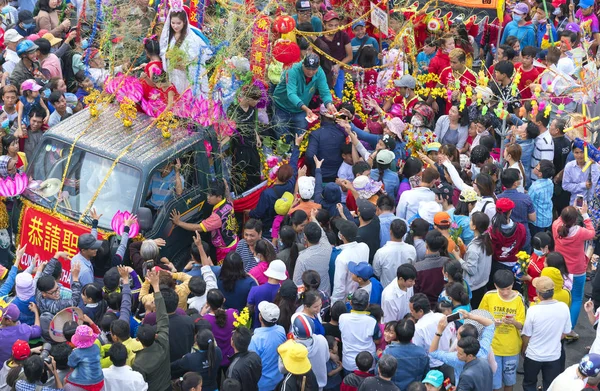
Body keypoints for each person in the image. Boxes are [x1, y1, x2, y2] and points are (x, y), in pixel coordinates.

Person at [521, 276, 572, 391]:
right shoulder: (563, 307)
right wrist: (553, 339)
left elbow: (527, 335)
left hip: (533, 355)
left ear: (538, 293)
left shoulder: (533, 310)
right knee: (550, 385)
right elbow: (566, 332)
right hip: (554, 356)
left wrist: (524, 348)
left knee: (529, 383)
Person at [478, 269, 525, 391]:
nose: (505, 292)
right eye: (501, 289)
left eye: (508, 288)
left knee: (509, 382)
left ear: (513, 285)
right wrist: (492, 323)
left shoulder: (519, 298)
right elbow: (479, 318)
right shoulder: (488, 296)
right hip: (493, 347)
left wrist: (514, 322)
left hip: (511, 348)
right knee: (495, 384)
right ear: (495, 286)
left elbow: (522, 326)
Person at [553, 204, 594, 339]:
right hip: (577, 270)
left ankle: (557, 325)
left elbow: (561, 219)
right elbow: (592, 232)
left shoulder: (556, 226)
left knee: (559, 297)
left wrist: (568, 212)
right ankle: (569, 330)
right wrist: (585, 214)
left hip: (560, 269)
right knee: (576, 299)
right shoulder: (581, 232)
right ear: (575, 219)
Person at [170, 181, 238, 262]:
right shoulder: (228, 202)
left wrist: (178, 222)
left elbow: (199, 228)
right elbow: (228, 195)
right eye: (208, 194)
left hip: (225, 249)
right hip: (234, 240)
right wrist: (226, 188)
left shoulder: (217, 217)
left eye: (211, 195)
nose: (208, 197)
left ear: (219, 197)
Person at [272, 54, 336, 138]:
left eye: (314, 70)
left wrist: (329, 104)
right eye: (308, 69)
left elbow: (325, 91)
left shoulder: (319, 72)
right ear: (303, 64)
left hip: (300, 111)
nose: (310, 72)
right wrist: (305, 108)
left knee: (300, 136)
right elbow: (291, 94)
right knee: (282, 139)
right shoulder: (293, 70)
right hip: (282, 107)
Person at [132, 269, 172, 391]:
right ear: (155, 335)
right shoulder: (163, 341)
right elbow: (162, 316)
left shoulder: (138, 363)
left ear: (138, 340)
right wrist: (156, 287)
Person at [159, 6, 211, 95]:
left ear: (184, 22)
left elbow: (195, 59)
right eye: (173, 23)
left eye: (178, 23)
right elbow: (163, 53)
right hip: (175, 75)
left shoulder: (192, 38)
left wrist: (183, 64)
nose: (175, 26)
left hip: (188, 77)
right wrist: (167, 57)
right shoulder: (169, 37)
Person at [409, 294, 452, 378]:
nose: (411, 313)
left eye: (412, 310)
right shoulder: (442, 317)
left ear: (420, 311)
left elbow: (419, 351)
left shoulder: (418, 328)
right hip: (447, 361)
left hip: (432, 366)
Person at [382, 319, 429, 390]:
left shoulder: (388, 352)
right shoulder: (422, 353)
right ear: (413, 334)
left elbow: (380, 373)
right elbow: (426, 374)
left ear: (396, 334)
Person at [249, 302, 287, 390]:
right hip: (279, 380)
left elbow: (252, 365)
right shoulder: (281, 330)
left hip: (263, 384)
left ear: (260, 317)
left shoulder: (255, 339)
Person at [331, 219, 369, 303]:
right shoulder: (364, 247)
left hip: (347, 299)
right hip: (362, 293)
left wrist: (334, 304)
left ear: (342, 236)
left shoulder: (342, 257)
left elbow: (339, 287)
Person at [294, 214, 332, 293]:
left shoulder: (302, 259)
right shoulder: (327, 247)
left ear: (305, 237)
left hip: (311, 298)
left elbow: (297, 283)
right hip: (326, 294)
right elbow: (322, 233)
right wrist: (313, 217)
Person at [373, 219, 416, 288]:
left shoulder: (381, 252)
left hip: (386, 288)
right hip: (405, 288)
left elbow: (377, 272)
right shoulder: (411, 250)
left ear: (390, 231)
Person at [414, 231, 449, 308]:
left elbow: (415, 292)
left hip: (425, 308)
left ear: (426, 244)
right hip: (446, 306)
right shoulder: (448, 262)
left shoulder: (417, 267)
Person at [528, 160, 555, 235]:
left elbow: (528, 201)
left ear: (540, 174)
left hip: (537, 221)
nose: (535, 167)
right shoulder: (550, 182)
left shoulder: (535, 187)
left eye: (537, 167)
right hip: (548, 218)